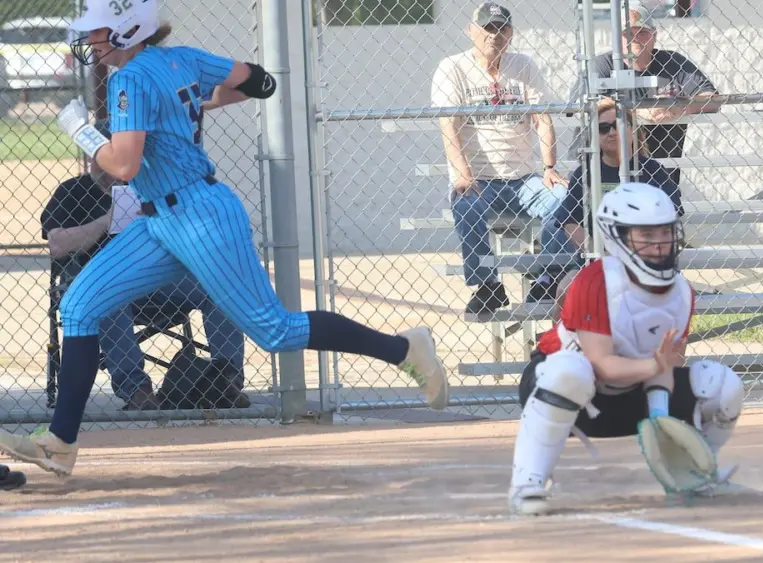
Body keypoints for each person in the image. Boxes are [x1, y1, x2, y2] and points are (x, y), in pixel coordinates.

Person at [0, 0, 448, 478]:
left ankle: (403, 349)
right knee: (79, 306)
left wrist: (82, 132)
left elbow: (124, 166)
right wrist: (192, 103)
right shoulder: (183, 58)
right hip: (162, 220)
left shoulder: (129, 78)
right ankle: (60, 442)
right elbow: (260, 81)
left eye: (98, 31)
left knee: (274, 329)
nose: (89, 41)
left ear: (129, 30)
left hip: (199, 216)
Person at [507, 183, 743, 516]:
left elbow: (666, 367)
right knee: (570, 372)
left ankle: (695, 472)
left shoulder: (682, 292)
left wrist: (660, 416)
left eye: (665, 232)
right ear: (617, 236)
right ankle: (528, 481)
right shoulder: (595, 280)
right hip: (570, 395)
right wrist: (654, 366)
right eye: (646, 235)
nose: (659, 244)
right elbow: (600, 363)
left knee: (722, 384)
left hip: (630, 396)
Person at [41, 149, 248, 410]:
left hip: (156, 281)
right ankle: (137, 390)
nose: (112, 171)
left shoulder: (149, 188)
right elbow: (57, 245)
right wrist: (107, 221)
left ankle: (225, 381)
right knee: (107, 297)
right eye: (105, 159)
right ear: (93, 157)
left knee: (220, 290)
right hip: (100, 284)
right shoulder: (72, 191)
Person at [432, 2, 573, 312]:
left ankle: (549, 278)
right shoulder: (452, 68)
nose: (495, 35)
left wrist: (550, 166)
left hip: (524, 180)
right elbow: (449, 126)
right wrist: (462, 175)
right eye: (488, 28)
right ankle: (488, 286)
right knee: (466, 204)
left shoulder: (523, 66)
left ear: (511, 33)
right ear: (471, 31)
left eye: (502, 28)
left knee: (565, 198)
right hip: (479, 181)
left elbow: (542, 118)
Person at [568, 5, 719, 190]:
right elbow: (581, 106)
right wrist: (639, 112)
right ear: (616, 38)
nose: (635, 38)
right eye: (628, 33)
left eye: (643, 33)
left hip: (659, 172)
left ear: (654, 36)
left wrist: (680, 107)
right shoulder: (600, 66)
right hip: (603, 171)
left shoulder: (671, 62)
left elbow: (712, 98)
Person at [557, 97, 683, 251]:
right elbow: (570, 221)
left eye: (618, 125)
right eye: (603, 128)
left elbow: (671, 213)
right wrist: (599, 253)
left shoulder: (653, 170)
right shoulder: (585, 173)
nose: (612, 132)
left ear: (632, 129)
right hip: (598, 259)